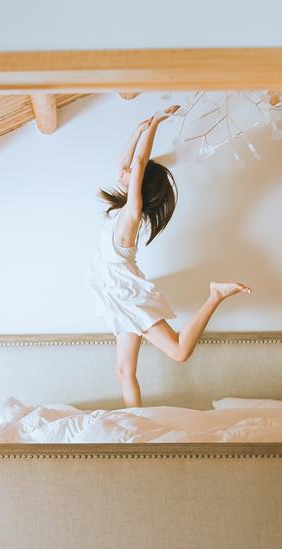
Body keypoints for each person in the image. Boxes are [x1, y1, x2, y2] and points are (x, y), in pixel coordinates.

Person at [90, 105, 251, 407]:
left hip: (128, 295)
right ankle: (136, 425)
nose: (123, 171)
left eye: (131, 173)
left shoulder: (132, 215)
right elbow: (126, 163)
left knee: (179, 352)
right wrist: (138, 129)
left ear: (139, 184)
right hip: (117, 295)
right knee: (123, 371)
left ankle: (215, 295)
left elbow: (138, 162)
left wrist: (155, 125)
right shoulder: (121, 212)